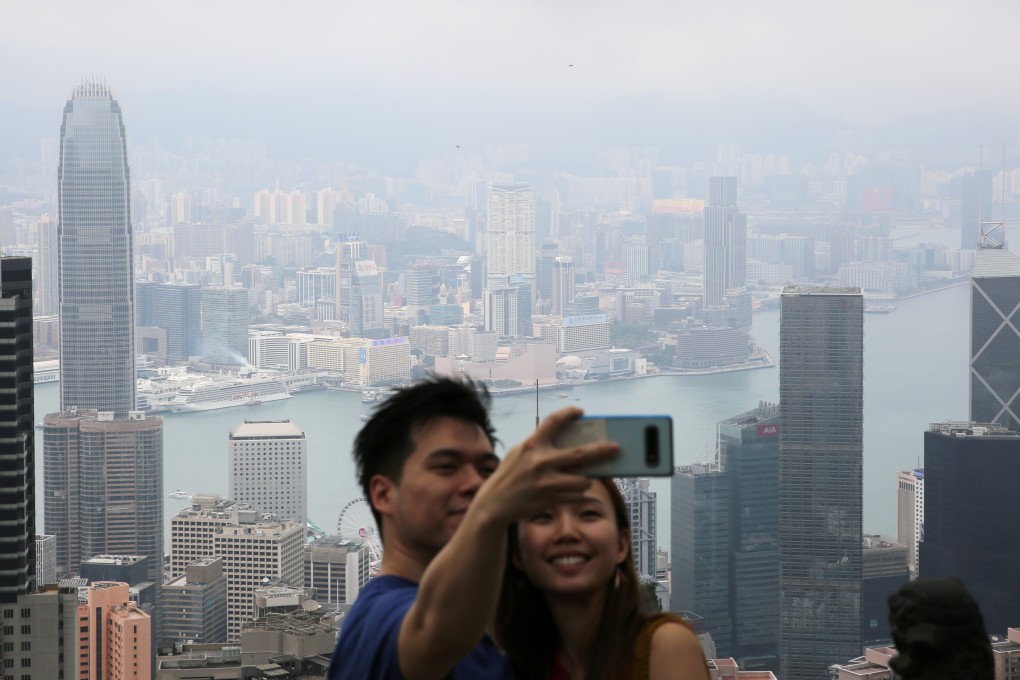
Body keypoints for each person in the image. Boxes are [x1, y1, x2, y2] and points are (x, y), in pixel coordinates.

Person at [328, 376, 619, 680]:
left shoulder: (487, 632)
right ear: (383, 494)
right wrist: (489, 513)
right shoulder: (379, 619)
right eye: (446, 467)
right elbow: (437, 636)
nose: (476, 484)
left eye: (487, 470)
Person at [496, 478, 710, 680]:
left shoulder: (664, 647)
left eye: (588, 514)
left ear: (621, 544)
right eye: (543, 516)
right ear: (517, 553)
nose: (567, 531)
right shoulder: (507, 661)